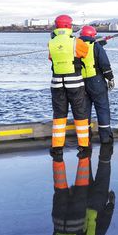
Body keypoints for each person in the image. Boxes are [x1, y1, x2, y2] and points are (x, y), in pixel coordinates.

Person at [49, 15, 91, 157]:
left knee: (59, 115)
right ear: (69, 26)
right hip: (75, 83)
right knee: (80, 113)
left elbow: (51, 57)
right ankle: (84, 146)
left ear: (56, 26)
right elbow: (84, 52)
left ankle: (57, 147)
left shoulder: (51, 42)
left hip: (57, 84)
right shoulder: (76, 41)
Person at [79, 25, 115, 144]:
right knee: (102, 108)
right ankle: (105, 138)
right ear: (92, 35)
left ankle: (85, 138)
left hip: (81, 82)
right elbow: (104, 64)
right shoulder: (96, 46)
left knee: (84, 110)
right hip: (97, 81)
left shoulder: (76, 47)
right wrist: (110, 79)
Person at [50, 153, 90, 235]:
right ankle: (57, 157)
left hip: (77, 221)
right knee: (60, 188)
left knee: (82, 186)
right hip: (59, 219)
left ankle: (84, 156)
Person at [84, 144, 115, 235]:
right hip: (83, 199)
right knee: (85, 170)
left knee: (103, 173)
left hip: (98, 202)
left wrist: (111, 203)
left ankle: (106, 146)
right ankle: (85, 147)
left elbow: (106, 217)